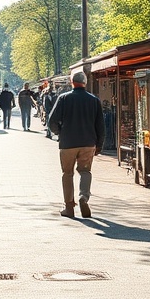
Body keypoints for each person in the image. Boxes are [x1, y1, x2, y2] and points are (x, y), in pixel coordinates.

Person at [47, 71, 104, 218]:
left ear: (71, 82)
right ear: (85, 83)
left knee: (67, 174)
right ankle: (83, 196)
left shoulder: (64, 98)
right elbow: (100, 125)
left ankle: (69, 207)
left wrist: (60, 132)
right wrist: (99, 144)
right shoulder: (94, 100)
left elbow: (51, 121)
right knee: (85, 172)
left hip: (68, 143)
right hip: (88, 143)